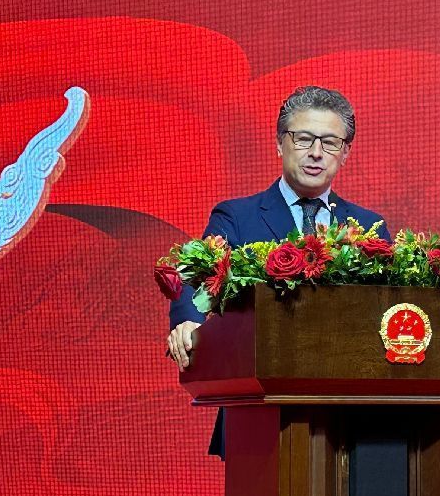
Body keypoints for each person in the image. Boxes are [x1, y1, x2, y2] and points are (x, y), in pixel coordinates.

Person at [167, 85, 390, 457]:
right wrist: (189, 323)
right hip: (258, 411)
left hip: (351, 416)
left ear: (345, 153)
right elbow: (195, 275)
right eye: (304, 139)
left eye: (330, 142)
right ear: (280, 143)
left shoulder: (368, 227)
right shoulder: (237, 216)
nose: (316, 153)